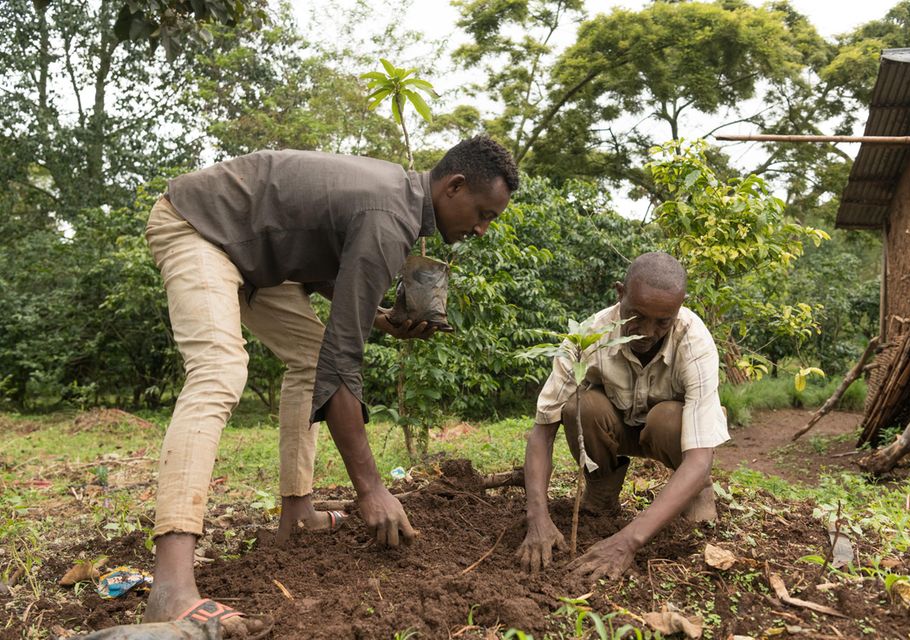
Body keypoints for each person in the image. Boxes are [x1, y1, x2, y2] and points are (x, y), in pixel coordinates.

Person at [141, 136, 519, 634]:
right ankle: (171, 588)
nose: (483, 228)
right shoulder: (390, 217)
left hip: (254, 255)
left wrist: (382, 317)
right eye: (484, 212)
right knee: (219, 369)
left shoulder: (396, 202)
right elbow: (344, 363)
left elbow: (310, 251)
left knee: (310, 354)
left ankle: (297, 514)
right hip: (202, 227)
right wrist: (372, 489)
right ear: (453, 186)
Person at [516, 252, 729, 583]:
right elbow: (542, 432)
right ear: (620, 293)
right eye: (636, 317)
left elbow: (700, 457)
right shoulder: (587, 337)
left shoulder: (695, 340)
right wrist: (537, 518)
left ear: (679, 307)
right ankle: (602, 491)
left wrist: (627, 542)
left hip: (669, 437)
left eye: (663, 322)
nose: (647, 332)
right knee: (578, 407)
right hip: (612, 427)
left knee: (671, 419)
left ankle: (697, 491)